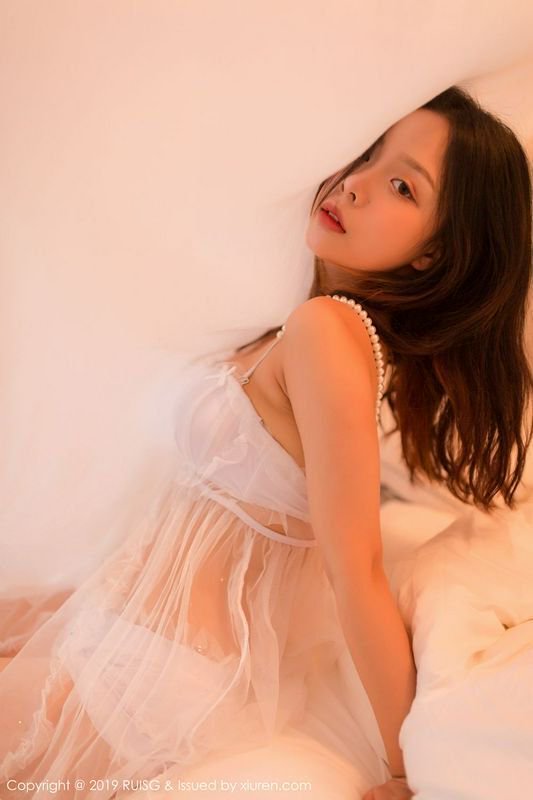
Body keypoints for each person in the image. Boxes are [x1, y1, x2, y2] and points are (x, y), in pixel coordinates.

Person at [1, 85, 531, 800]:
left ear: (433, 254)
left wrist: (406, 769)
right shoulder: (308, 326)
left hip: (158, 672)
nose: (355, 184)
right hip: (116, 621)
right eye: (368, 155)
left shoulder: (328, 331)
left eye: (402, 186)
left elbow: (357, 571)